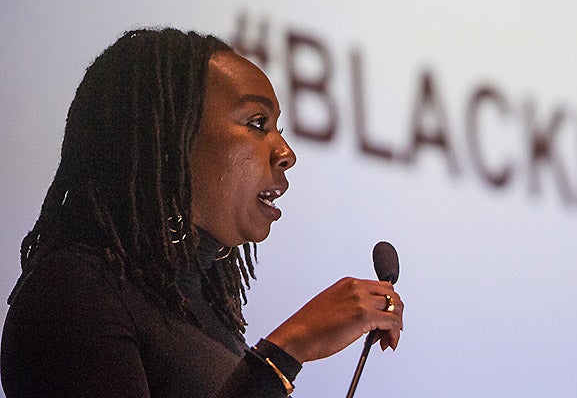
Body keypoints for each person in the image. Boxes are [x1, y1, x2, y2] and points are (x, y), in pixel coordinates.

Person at [0, 28, 404, 397]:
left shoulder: (200, 309)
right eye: (257, 122)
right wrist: (289, 348)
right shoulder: (73, 296)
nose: (286, 153)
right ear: (172, 139)